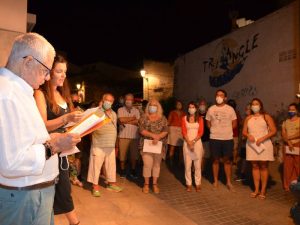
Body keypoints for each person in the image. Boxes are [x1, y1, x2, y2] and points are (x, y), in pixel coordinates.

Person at [0, 33, 81, 225]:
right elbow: (11, 163)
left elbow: (26, 138)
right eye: (45, 70)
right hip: (23, 197)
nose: (47, 78)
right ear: (28, 61)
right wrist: (52, 145)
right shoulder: (7, 95)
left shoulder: (20, 90)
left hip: (34, 193)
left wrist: (49, 137)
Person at [34, 54, 83, 224]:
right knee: (61, 190)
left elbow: (66, 124)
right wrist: (67, 118)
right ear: (49, 72)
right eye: (59, 71)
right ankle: (74, 221)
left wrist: (80, 124)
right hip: (50, 150)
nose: (63, 75)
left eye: (65, 72)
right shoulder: (40, 94)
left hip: (64, 152)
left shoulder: (63, 95)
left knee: (61, 190)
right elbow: (42, 125)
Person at [87, 93, 123, 197]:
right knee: (96, 166)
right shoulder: (97, 112)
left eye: (111, 101)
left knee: (111, 165)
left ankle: (111, 183)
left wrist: (116, 144)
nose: (109, 102)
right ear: (102, 101)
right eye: (107, 100)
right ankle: (95, 187)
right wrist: (100, 109)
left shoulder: (114, 113)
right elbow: (90, 126)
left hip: (110, 144)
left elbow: (115, 129)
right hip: (98, 144)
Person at [242, 98, 277, 199]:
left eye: (256, 104)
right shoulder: (248, 118)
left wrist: (263, 138)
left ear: (260, 105)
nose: (254, 106)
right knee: (255, 166)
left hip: (264, 144)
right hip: (252, 145)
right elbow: (244, 131)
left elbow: (273, 130)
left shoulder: (266, 116)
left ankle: (263, 190)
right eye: (253, 104)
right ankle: (256, 189)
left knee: (263, 166)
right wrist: (248, 135)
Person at [206, 89, 237, 190]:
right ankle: (215, 180)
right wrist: (214, 130)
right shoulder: (211, 109)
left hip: (227, 138)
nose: (219, 97)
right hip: (214, 138)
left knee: (227, 161)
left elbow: (234, 123)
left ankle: (228, 181)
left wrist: (226, 130)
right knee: (215, 160)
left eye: (221, 95)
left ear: (225, 98)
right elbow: (208, 122)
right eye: (217, 95)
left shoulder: (230, 109)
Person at [139, 99, 168, 194]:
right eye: (151, 105)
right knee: (147, 165)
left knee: (156, 165)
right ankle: (146, 184)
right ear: (148, 106)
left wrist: (159, 136)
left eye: (155, 105)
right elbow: (141, 130)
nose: (153, 107)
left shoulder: (162, 118)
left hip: (158, 146)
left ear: (158, 107)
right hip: (146, 145)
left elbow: (166, 130)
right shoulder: (144, 117)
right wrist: (153, 136)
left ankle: (155, 184)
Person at [182, 102, 204, 192]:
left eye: (193, 107)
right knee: (188, 165)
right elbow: (183, 131)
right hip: (187, 143)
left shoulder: (200, 119)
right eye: (190, 107)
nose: (191, 109)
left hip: (197, 144)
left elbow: (201, 132)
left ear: (196, 108)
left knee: (197, 165)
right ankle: (189, 184)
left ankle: (198, 183)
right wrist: (189, 142)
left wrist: (193, 142)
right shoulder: (184, 118)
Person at [117, 93, 140, 178]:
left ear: (133, 101)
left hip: (134, 137)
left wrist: (126, 121)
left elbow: (138, 122)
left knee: (134, 156)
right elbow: (120, 120)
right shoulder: (120, 110)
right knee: (122, 156)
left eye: (130, 100)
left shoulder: (136, 111)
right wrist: (133, 119)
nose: (128, 101)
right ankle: (122, 171)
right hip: (123, 136)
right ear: (124, 100)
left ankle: (133, 170)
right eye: (127, 99)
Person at [282, 103, 300, 191]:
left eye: (293, 109)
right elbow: (283, 133)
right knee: (287, 166)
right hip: (288, 145)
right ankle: (288, 185)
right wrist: (288, 141)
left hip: (298, 144)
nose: (291, 111)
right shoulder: (286, 122)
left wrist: (289, 138)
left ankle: (298, 184)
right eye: (290, 109)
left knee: (298, 165)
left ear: (297, 110)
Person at [167, 100, 185, 167]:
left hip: (181, 130)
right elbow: (168, 122)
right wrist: (167, 129)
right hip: (173, 129)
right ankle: (171, 162)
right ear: (175, 105)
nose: (179, 105)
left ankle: (180, 162)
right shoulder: (172, 112)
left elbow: (185, 123)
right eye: (178, 104)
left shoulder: (184, 113)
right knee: (172, 147)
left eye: (180, 104)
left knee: (181, 148)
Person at [227, 99, 242, 165]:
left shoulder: (235, 113)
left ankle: (232, 160)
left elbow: (240, 122)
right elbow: (240, 122)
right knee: (234, 148)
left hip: (230, 134)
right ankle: (234, 160)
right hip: (233, 134)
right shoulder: (236, 113)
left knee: (231, 148)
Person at [198, 99, 210, 173]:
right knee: (197, 155)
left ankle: (201, 169)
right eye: (201, 104)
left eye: (204, 104)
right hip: (197, 138)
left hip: (206, 138)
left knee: (204, 155)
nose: (202, 106)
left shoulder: (209, 115)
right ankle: (195, 169)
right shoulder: (196, 114)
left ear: (206, 106)